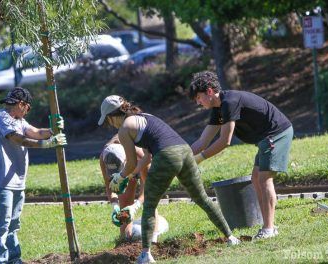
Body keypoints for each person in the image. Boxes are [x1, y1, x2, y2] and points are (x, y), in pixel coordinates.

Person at [98, 95, 239, 264]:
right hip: (185, 151)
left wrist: (119, 177)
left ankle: (145, 255)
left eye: (108, 121)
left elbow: (132, 163)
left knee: (150, 205)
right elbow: (146, 158)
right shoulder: (144, 117)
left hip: (166, 156)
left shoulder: (124, 130)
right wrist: (129, 175)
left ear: (112, 117)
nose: (110, 125)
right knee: (202, 198)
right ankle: (230, 237)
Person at [188, 71, 294, 240]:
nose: (198, 102)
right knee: (256, 178)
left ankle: (268, 228)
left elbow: (225, 141)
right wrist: (181, 157)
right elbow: (202, 141)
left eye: (198, 98)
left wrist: (199, 159)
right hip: (265, 138)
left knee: (264, 179)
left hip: (276, 133)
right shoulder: (218, 109)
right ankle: (269, 226)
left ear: (209, 91)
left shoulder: (230, 102)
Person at [0, 87, 67, 264]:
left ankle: (14, 259)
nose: (26, 112)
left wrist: (53, 130)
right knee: (2, 225)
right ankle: (0, 261)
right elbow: (17, 139)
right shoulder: (1, 118)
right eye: (27, 108)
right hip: (1, 182)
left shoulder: (19, 121)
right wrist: (47, 144)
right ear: (22, 105)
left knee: (14, 225)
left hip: (17, 183)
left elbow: (36, 132)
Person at [100, 134, 168, 242]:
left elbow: (147, 190)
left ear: (126, 160)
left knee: (150, 203)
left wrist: (135, 206)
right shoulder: (105, 156)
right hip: (130, 164)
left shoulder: (143, 156)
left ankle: (153, 241)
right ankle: (125, 241)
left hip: (146, 160)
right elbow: (109, 186)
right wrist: (114, 205)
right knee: (125, 203)